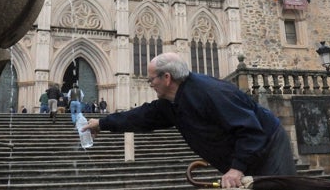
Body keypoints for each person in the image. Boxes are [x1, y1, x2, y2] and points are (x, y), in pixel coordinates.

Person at [82, 52, 296, 188]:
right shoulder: (171, 102)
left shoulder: (211, 92)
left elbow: (250, 130)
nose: (149, 84)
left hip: (269, 147)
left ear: (167, 78)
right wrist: (102, 123)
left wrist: (237, 168)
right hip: (244, 155)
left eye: (151, 79)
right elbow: (141, 117)